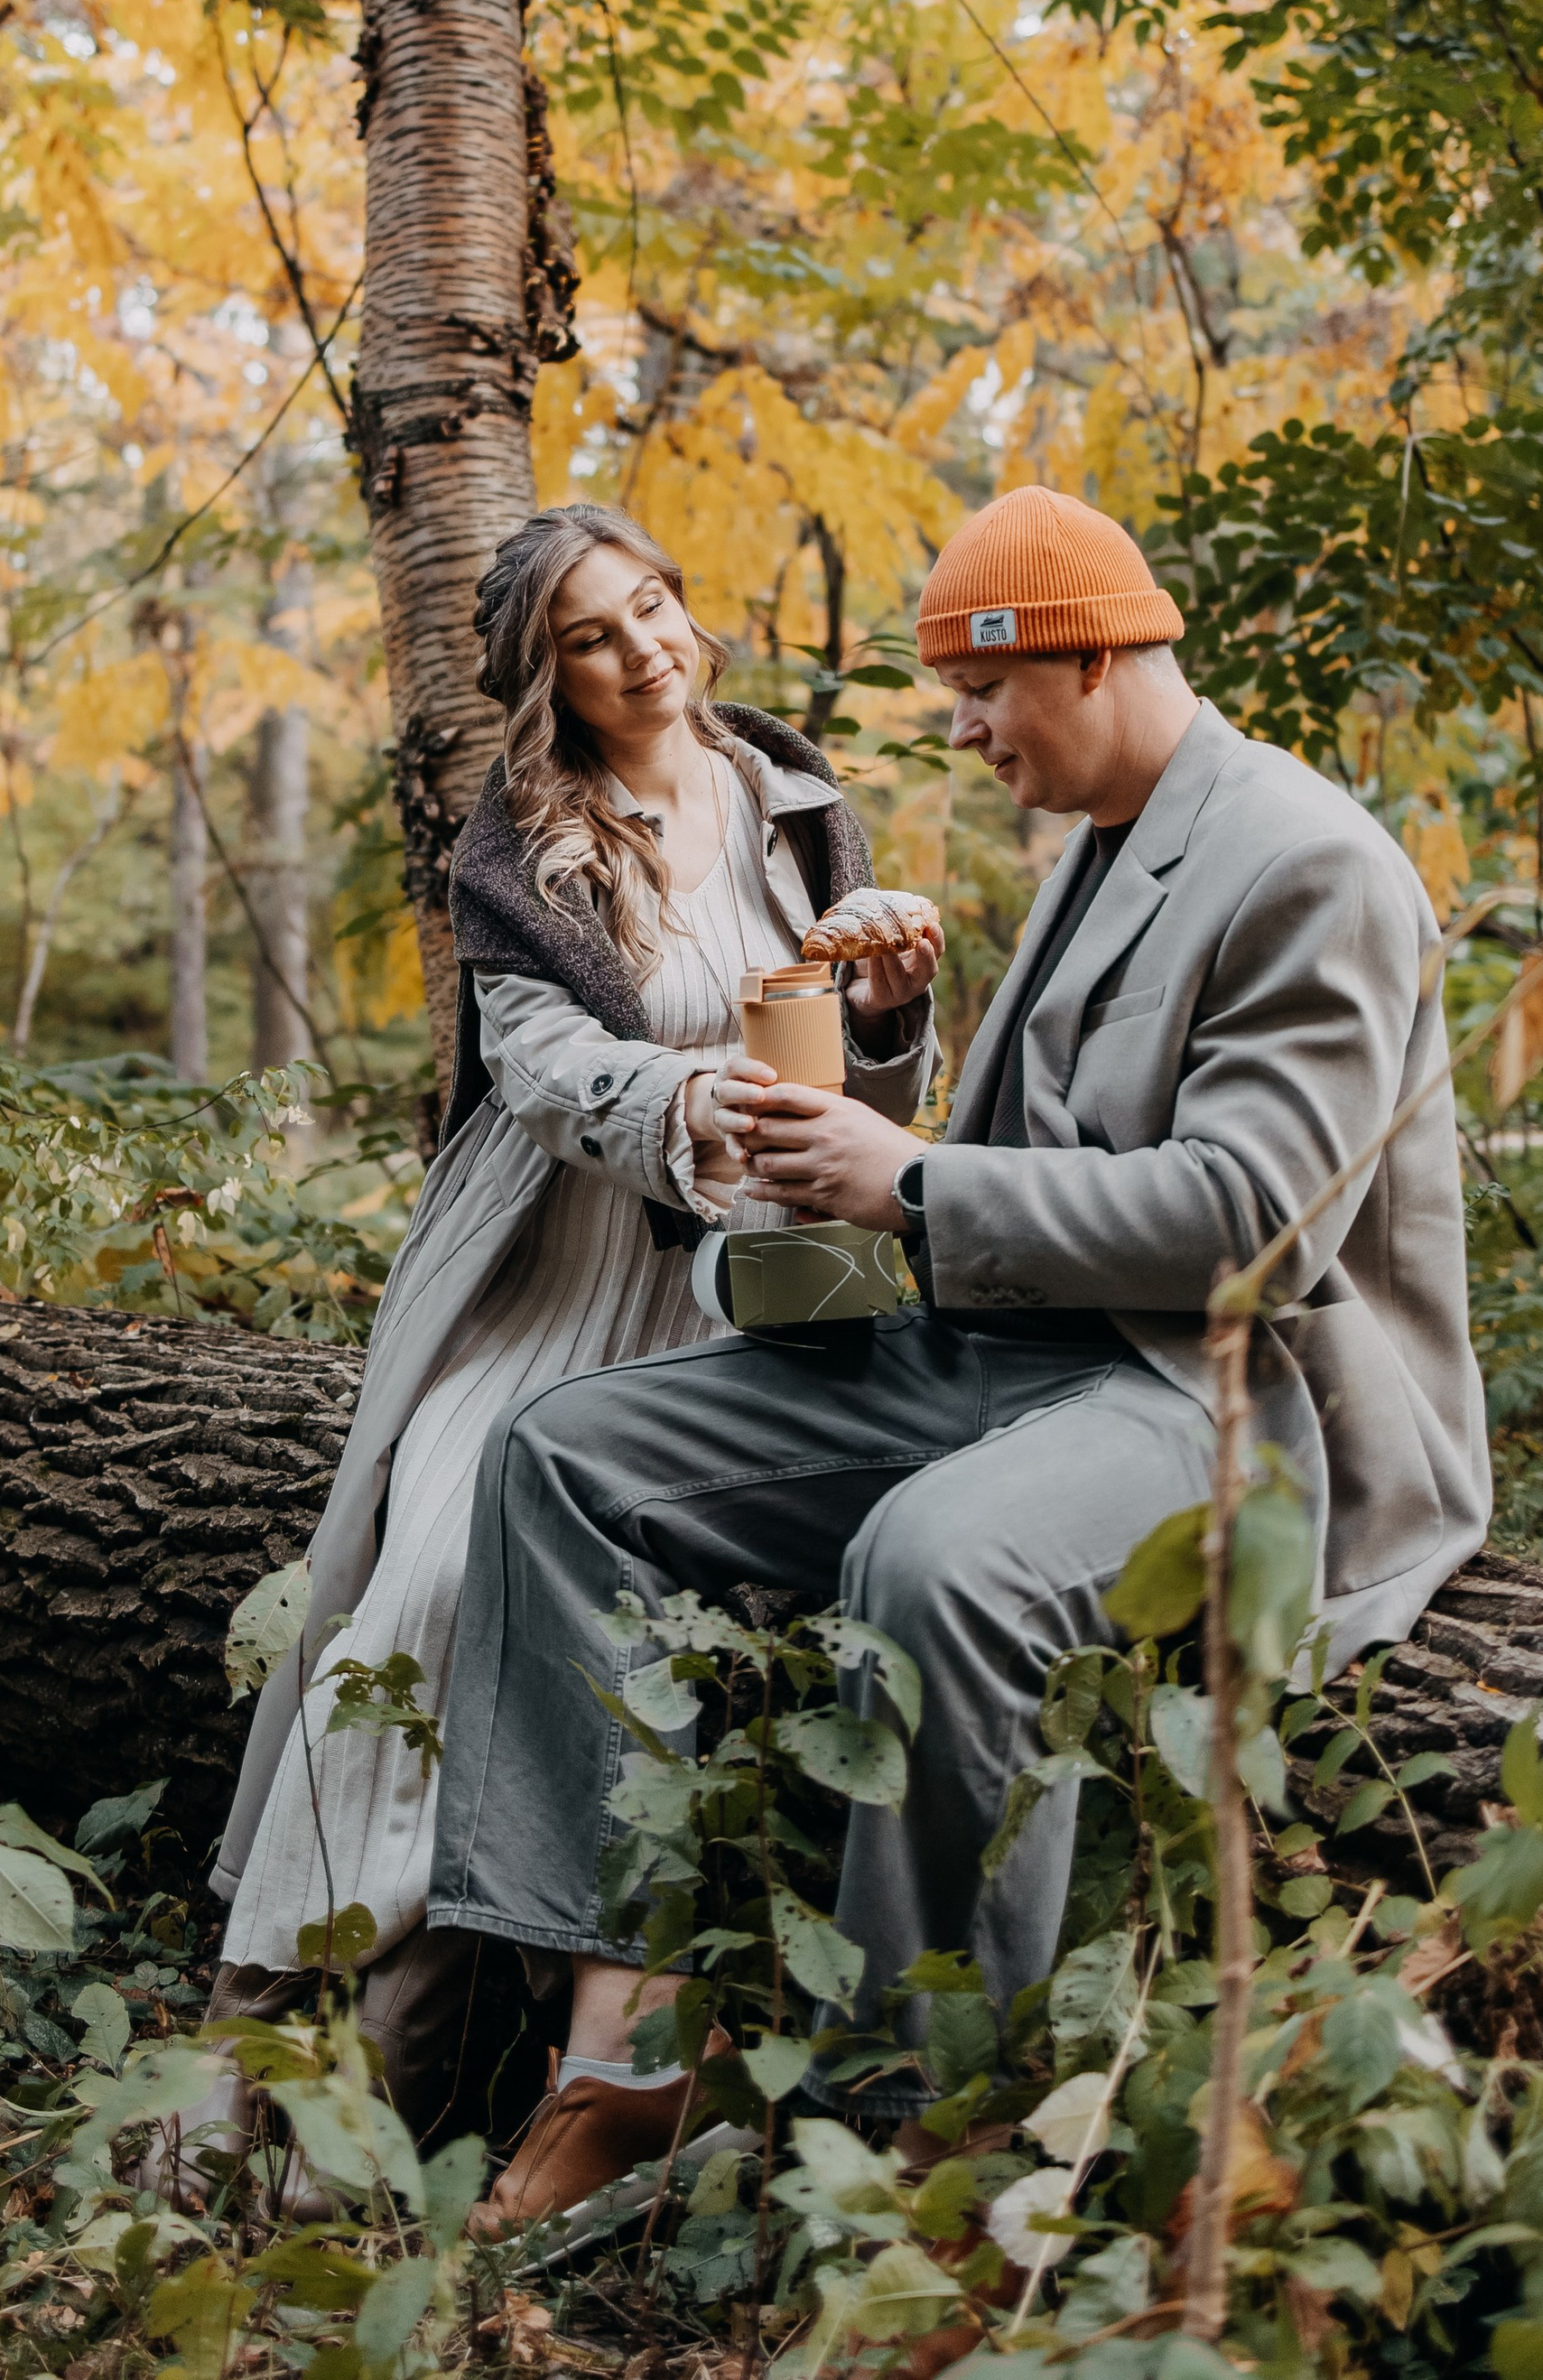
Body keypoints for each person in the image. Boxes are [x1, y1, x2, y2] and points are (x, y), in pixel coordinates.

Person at [428, 482, 1492, 2233]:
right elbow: (995, 1163)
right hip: (1008, 1348)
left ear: (1084, 658)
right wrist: (846, 1131)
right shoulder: (1097, 836)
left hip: (1225, 1391)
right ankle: (622, 2052)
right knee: (566, 1458)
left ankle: (911, 2134)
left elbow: (1250, 1225)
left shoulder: (1307, 861)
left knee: (928, 1555)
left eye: (981, 698)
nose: (963, 735)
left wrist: (907, 1180)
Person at [200, 501, 938, 2135]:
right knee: (441, 1580)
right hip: (559, 1266)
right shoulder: (519, 846)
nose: (644, 648)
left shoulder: (791, 798)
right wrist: (691, 1101)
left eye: (654, 604)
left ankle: (567, 2047)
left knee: (668, 1625)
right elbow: (542, 1072)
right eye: (594, 635)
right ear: (552, 677)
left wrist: (889, 1021)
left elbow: (870, 1091)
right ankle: (290, 2051)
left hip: (749, 1292)